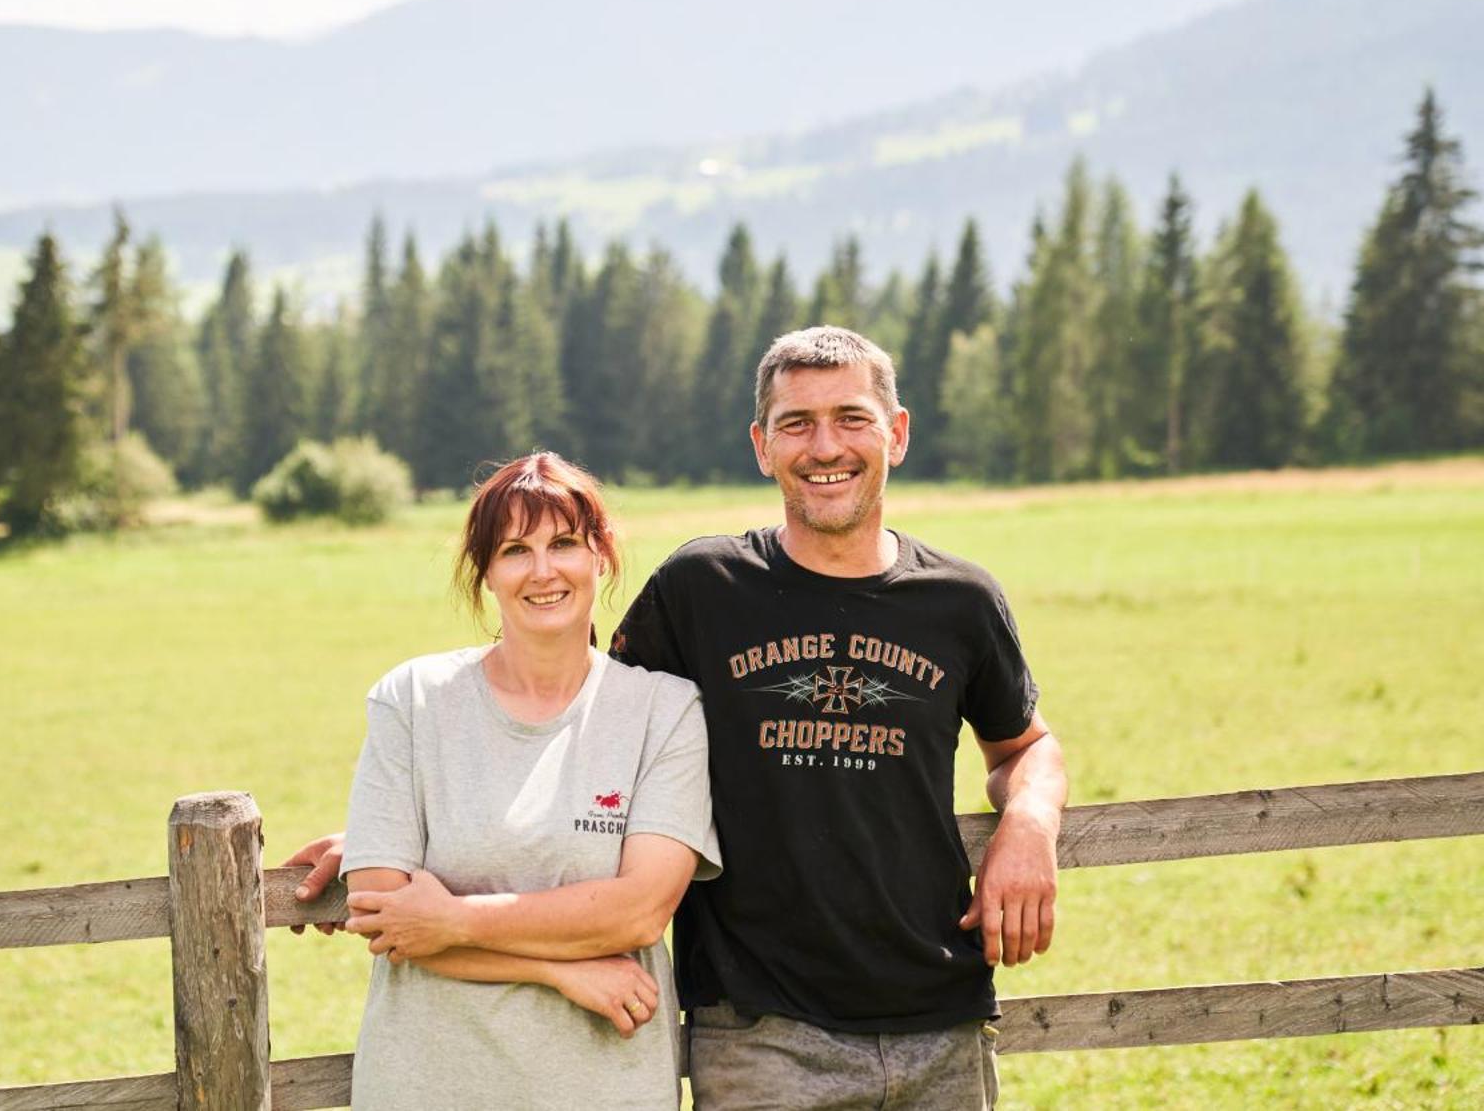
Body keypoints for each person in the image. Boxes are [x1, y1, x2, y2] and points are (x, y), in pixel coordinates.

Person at [292, 327, 1063, 1110]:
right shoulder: (703, 588)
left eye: (852, 417)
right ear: (762, 446)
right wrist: (406, 831)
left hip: (940, 1018)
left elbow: (1025, 746)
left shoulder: (962, 601)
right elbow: (581, 718)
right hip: (762, 1031)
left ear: (896, 432)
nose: (825, 445)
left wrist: (1029, 826)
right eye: (797, 422)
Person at [336, 452, 720, 1111]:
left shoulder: (665, 710)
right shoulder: (413, 699)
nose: (543, 570)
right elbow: (388, 917)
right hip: (429, 1085)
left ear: (600, 555)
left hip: (605, 1089)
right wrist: (560, 966)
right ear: (486, 570)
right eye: (516, 549)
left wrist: (452, 918)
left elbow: (639, 909)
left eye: (564, 543)